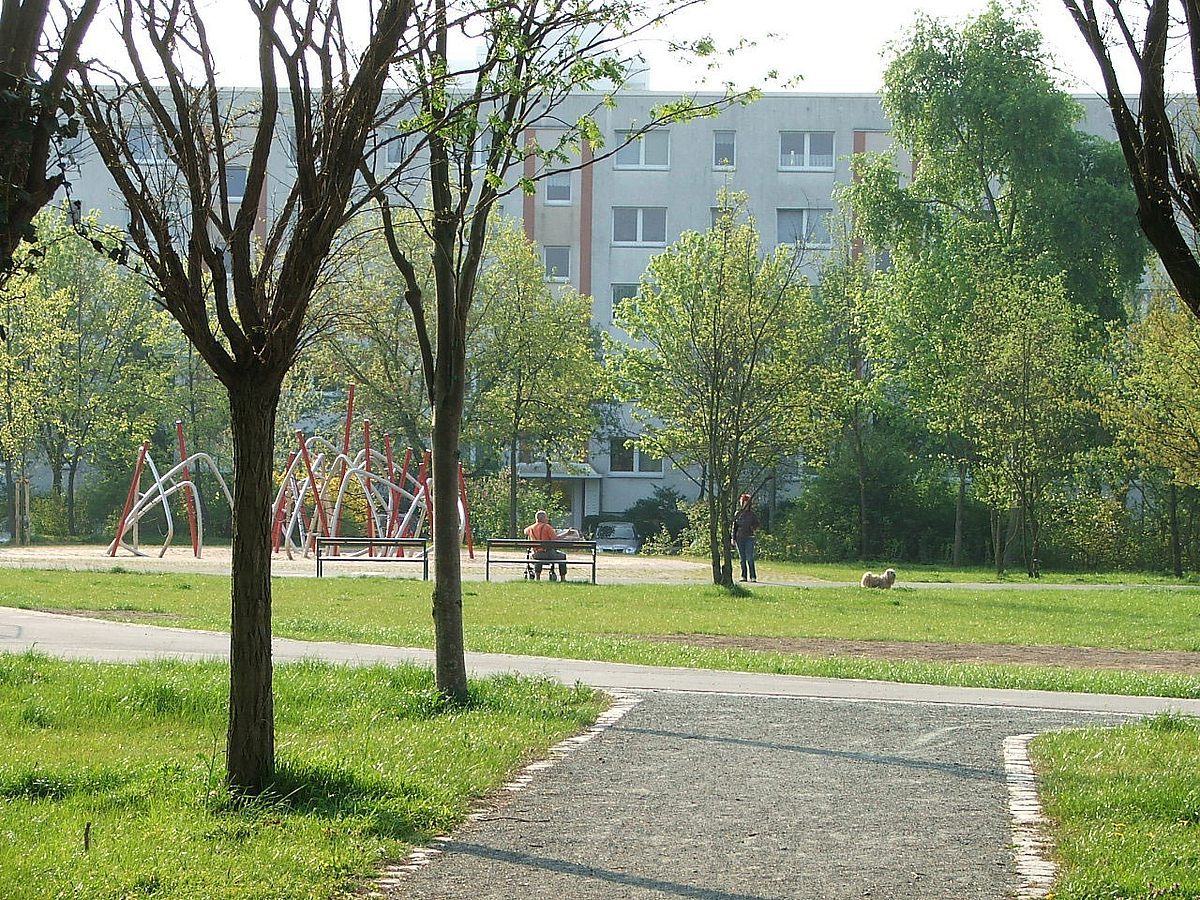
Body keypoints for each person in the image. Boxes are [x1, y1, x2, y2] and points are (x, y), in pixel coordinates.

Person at [524, 510, 579, 581]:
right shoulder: (547, 527)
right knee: (563, 556)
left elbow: (525, 531)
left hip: (535, 554)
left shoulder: (531, 528)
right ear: (543, 518)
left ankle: (537, 578)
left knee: (538, 558)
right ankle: (563, 578)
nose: (547, 519)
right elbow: (555, 538)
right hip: (548, 554)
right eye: (546, 517)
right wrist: (567, 534)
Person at [731, 492, 760, 583]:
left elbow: (757, 524)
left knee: (750, 557)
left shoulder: (752, 514)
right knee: (742, 558)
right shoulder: (738, 513)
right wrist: (733, 538)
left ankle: (753, 576)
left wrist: (753, 527)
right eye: (744, 502)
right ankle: (743, 575)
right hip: (739, 537)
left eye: (747, 502)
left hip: (749, 537)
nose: (745, 504)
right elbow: (734, 526)